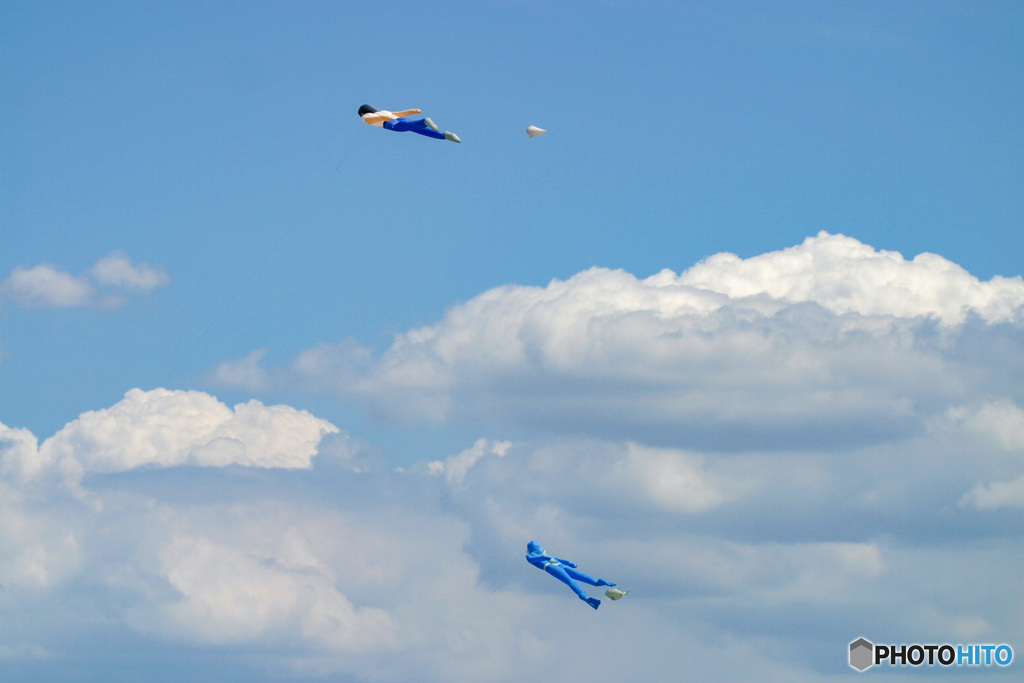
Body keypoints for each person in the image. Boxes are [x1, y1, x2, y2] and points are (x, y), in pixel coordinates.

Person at [525, 540, 615, 609]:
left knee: (571, 580)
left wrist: (568, 562)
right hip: (552, 566)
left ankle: (587, 595)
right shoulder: (533, 555)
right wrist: (543, 557)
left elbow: (556, 558)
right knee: (577, 577)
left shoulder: (541, 554)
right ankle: (597, 583)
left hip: (555, 566)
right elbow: (533, 559)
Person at [358, 104, 461, 142]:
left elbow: (368, 120)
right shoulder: (383, 111)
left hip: (389, 122)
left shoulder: (365, 116)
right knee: (418, 130)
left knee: (403, 127)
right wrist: (412, 111)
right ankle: (444, 135)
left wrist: (383, 117)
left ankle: (424, 122)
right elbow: (398, 114)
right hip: (397, 118)